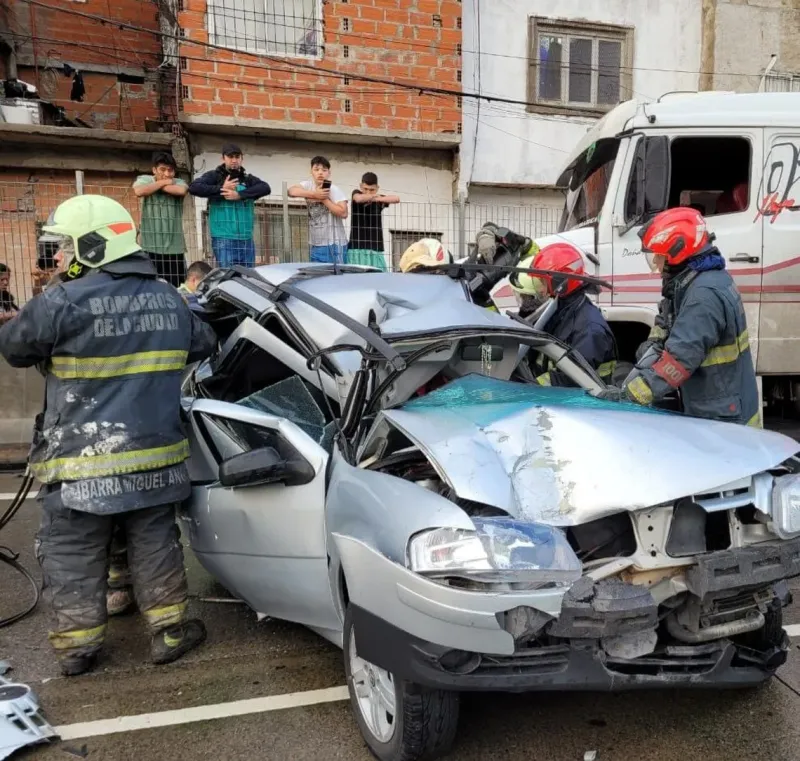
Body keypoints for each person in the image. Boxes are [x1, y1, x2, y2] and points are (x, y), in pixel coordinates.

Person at [0, 194, 218, 676]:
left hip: (82, 461)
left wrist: (59, 292)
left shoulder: (60, 300)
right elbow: (205, 341)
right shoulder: (169, 298)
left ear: (93, 246)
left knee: (73, 548)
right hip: (156, 459)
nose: (57, 258)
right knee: (155, 541)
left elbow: (13, 347)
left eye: (64, 247)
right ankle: (170, 631)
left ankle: (78, 650)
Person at [603, 206, 759, 425]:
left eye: (659, 256)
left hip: (722, 416)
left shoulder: (703, 297)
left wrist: (629, 395)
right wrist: (650, 351)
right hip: (716, 400)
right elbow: (666, 326)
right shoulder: (694, 282)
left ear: (677, 252)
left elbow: (678, 362)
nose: (656, 265)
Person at [510, 242, 616, 387]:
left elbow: (572, 379)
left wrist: (529, 388)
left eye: (542, 282)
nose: (540, 290)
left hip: (581, 406)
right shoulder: (560, 310)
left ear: (559, 283)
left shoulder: (588, 329)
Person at [188, 143, 271, 268]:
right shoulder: (214, 176)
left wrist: (239, 194)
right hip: (223, 238)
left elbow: (265, 188)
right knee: (227, 278)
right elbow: (194, 187)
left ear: (242, 159)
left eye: (237, 157)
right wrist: (221, 189)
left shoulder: (247, 179)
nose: (234, 160)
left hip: (246, 238)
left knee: (249, 279)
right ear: (223, 158)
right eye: (230, 157)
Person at [133, 152, 189, 288]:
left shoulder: (179, 182)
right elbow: (139, 191)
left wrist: (157, 186)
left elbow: (181, 191)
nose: (167, 173)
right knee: (151, 286)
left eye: (170, 170)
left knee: (176, 286)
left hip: (174, 247)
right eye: (162, 170)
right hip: (150, 245)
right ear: (154, 170)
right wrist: (164, 182)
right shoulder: (145, 179)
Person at [288, 156, 349, 264]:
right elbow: (291, 191)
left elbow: (344, 212)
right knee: (317, 278)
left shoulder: (333, 189)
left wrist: (324, 199)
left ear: (329, 173)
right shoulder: (308, 185)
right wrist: (314, 194)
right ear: (311, 171)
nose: (320, 173)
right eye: (316, 169)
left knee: (336, 279)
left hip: (334, 244)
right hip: (315, 244)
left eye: (324, 170)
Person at [347, 173, 399, 270]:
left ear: (377, 188)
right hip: (357, 247)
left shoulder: (378, 198)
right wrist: (375, 197)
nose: (368, 192)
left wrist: (376, 198)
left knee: (378, 280)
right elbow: (358, 198)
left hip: (375, 248)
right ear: (361, 186)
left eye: (372, 190)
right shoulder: (356, 193)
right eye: (365, 189)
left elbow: (396, 199)